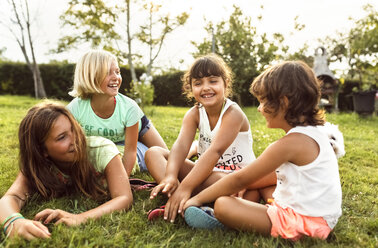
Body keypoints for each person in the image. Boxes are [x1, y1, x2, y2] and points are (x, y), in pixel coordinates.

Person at [183, 61, 344, 241]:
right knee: (265, 185)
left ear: (284, 102)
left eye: (263, 102)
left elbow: (239, 179)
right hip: (322, 219)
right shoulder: (316, 134)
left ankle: (221, 219)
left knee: (223, 205)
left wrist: (196, 199)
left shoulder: (289, 144)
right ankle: (249, 212)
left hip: (303, 224)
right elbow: (258, 178)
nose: (259, 109)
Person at [145, 54, 276, 223]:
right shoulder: (194, 114)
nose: (206, 88)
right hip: (206, 175)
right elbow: (180, 146)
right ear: (190, 88)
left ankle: (187, 200)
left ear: (225, 83)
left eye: (213, 81)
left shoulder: (233, 114)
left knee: (245, 192)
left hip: (235, 178)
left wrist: (186, 186)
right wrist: (170, 175)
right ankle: (176, 195)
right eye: (198, 83)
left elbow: (215, 151)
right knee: (154, 153)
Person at [0, 102, 133, 240]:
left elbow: (124, 198)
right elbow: (11, 197)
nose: (75, 139)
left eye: (74, 129)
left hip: (129, 156)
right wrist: (14, 222)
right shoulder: (40, 166)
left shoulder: (102, 150)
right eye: (62, 137)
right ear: (42, 150)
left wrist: (80, 218)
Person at [66, 50, 167, 176]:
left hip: (137, 127)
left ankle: (193, 149)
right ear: (90, 76)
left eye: (117, 72)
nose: (116, 77)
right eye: (108, 73)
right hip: (109, 143)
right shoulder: (75, 108)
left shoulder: (129, 108)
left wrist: (122, 180)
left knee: (167, 157)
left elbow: (130, 152)